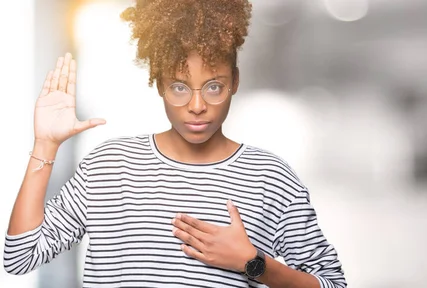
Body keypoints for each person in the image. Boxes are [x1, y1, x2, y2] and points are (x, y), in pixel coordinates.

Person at [3, 0, 346, 287]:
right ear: (158, 83)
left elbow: (333, 283)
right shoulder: (109, 166)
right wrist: (45, 145)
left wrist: (254, 264)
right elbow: (20, 257)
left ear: (235, 81)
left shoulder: (269, 177)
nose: (197, 106)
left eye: (213, 86)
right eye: (180, 87)